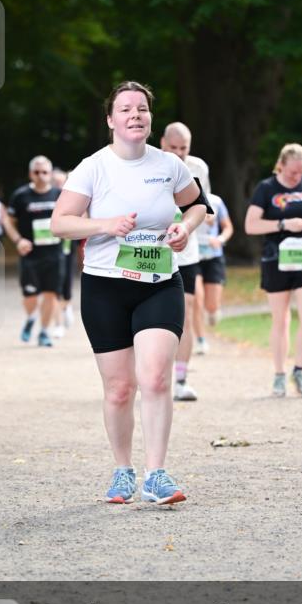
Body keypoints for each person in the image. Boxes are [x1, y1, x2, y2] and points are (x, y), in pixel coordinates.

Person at [51, 82, 207, 505]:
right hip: (105, 287)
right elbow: (60, 223)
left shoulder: (170, 166)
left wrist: (184, 228)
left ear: (150, 118)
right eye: (126, 109)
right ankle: (123, 471)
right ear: (111, 120)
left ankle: (157, 475)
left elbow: (198, 206)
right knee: (120, 388)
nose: (135, 115)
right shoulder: (93, 168)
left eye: (142, 109)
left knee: (155, 377)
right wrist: (104, 225)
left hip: (159, 283)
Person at [245, 143, 302, 398]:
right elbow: (251, 225)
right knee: (281, 319)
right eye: (293, 172)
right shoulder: (266, 188)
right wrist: (284, 223)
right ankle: (279, 374)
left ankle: (300, 369)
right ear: (281, 165)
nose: (297, 177)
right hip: (276, 258)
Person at [160, 122, 211, 401]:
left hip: (187, 254)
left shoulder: (198, 168)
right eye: (173, 148)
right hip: (152, 252)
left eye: (184, 148)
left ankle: (180, 379)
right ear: (162, 144)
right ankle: (147, 374)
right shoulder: (148, 164)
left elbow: (204, 206)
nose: (179, 154)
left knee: (185, 314)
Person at [3, 156, 62, 348]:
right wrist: (18, 240)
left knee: (51, 294)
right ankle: (31, 317)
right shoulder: (20, 196)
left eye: (45, 172)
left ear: (50, 174)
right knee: (30, 296)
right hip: (30, 255)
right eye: (36, 172)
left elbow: (75, 217)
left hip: (55, 254)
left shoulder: (60, 195)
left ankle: (44, 332)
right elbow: (8, 222)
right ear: (30, 174)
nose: (41, 176)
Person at [193, 192, 234, 354]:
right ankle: (201, 340)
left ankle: (212, 311)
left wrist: (221, 239)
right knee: (196, 297)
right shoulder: (181, 197)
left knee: (212, 305)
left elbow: (228, 227)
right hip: (192, 256)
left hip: (213, 255)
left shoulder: (216, 201)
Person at [51, 168, 76, 337]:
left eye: (62, 183)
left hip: (67, 248)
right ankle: (58, 324)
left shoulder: (74, 199)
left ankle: (67, 306)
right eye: (57, 183)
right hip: (49, 250)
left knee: (66, 283)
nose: (60, 186)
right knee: (53, 286)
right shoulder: (48, 198)